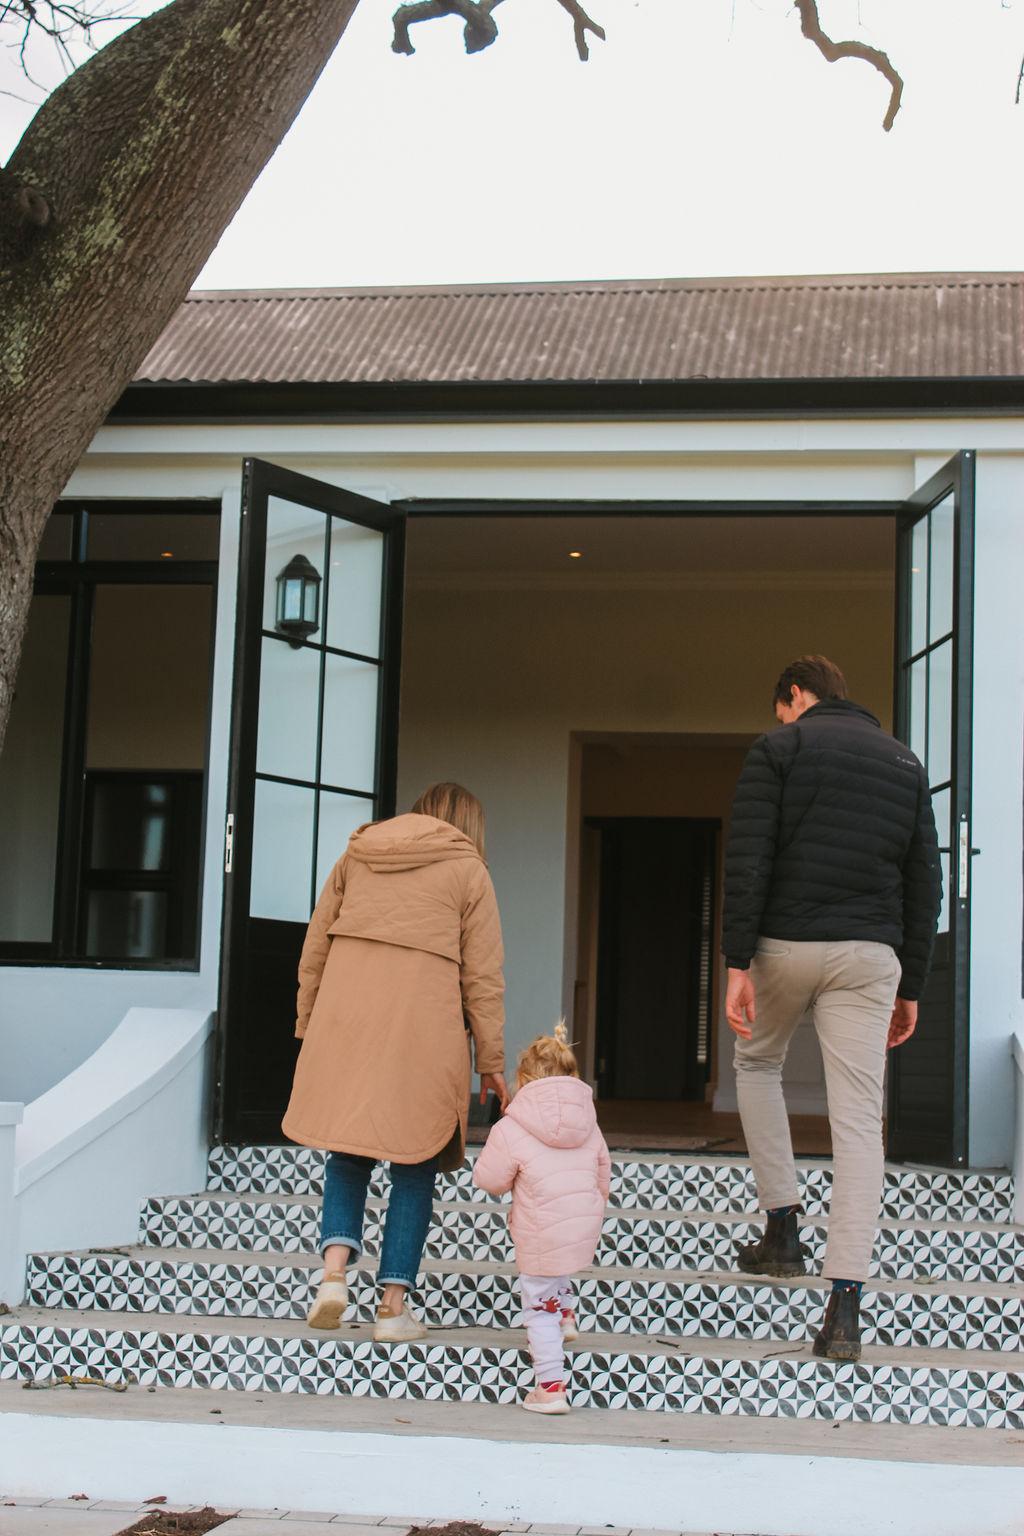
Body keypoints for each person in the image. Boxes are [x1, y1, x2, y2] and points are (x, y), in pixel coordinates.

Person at [722, 655, 942, 1361]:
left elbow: (748, 856)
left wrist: (735, 963)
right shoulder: (904, 763)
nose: (779, 719)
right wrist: (912, 984)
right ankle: (844, 1308)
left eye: (780, 707)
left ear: (794, 696)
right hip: (870, 955)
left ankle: (782, 1226)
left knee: (757, 1064)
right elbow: (924, 880)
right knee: (857, 1123)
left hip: (785, 944)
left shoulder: (779, 748)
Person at [283, 782, 508, 1344]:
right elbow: (482, 979)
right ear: (468, 825)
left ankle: (333, 1275)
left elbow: (315, 947)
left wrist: (309, 1023)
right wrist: (492, 1062)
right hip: (424, 1033)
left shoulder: (357, 855)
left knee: (348, 1151)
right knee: (415, 1164)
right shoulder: (470, 871)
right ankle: (392, 1305)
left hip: (348, 1023)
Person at [473, 1022, 611, 1415]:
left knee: (538, 1307)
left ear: (524, 1077)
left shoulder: (514, 1125)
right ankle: (566, 1315)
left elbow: (490, 1181)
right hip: (583, 1221)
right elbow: (604, 1174)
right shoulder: (589, 1121)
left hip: (538, 1229)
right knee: (560, 1255)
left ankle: (549, 1387)